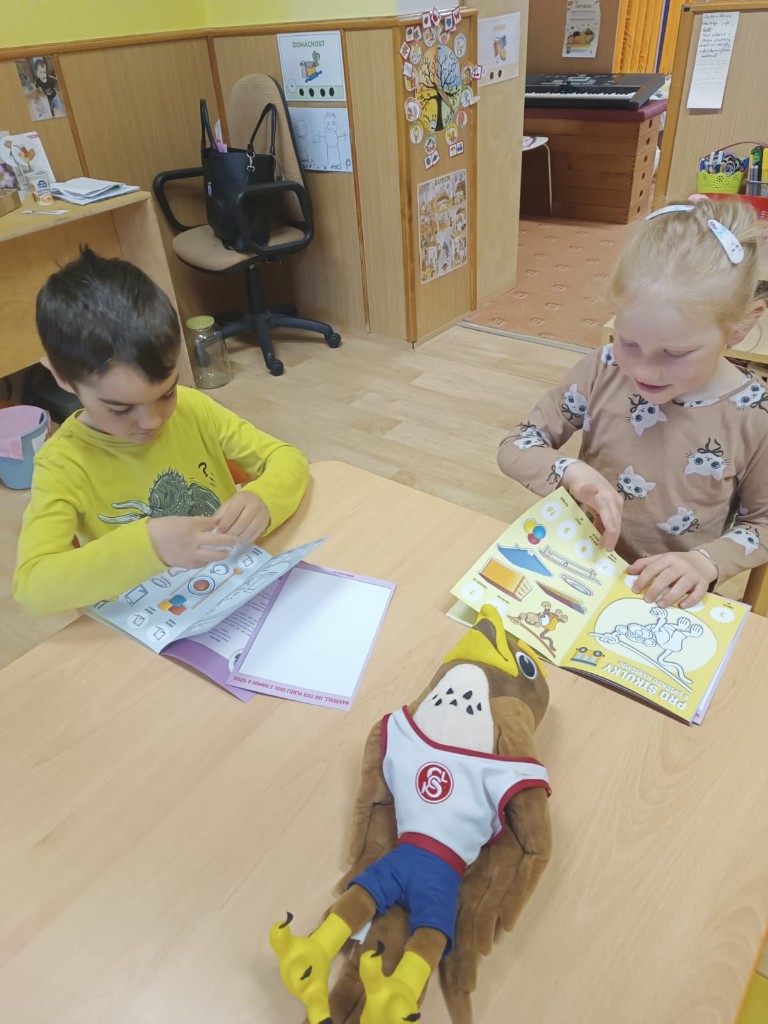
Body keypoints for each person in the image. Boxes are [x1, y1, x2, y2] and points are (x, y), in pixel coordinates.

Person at [498, 197, 768, 610]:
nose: (645, 370)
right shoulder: (605, 367)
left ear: (740, 326)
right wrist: (571, 470)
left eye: (675, 353)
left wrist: (705, 562)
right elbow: (517, 445)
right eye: (628, 342)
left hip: (667, 598)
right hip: (576, 570)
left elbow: (762, 523)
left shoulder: (754, 415)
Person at [13, 246, 310, 617]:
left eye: (167, 391)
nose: (152, 421)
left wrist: (264, 498)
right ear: (61, 377)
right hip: (150, 620)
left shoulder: (193, 408)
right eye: (120, 409)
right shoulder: (61, 465)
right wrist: (148, 546)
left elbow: (286, 458)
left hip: (230, 588)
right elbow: (32, 587)